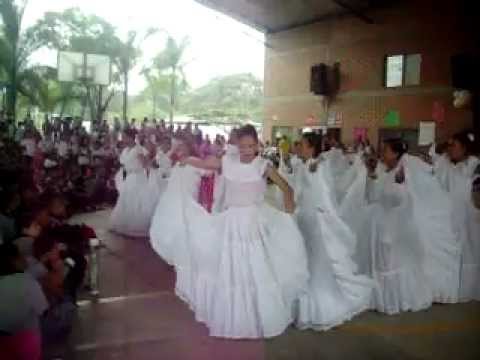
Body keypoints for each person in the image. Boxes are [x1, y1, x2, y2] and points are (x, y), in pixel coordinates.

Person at [178, 125, 309, 339]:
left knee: (255, 267)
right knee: (233, 268)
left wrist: (289, 216)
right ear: (236, 146)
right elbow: (205, 164)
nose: (247, 150)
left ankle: (258, 316)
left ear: (257, 145)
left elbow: (287, 188)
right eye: (242, 146)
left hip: (253, 222)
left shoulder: (262, 165)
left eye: (251, 146)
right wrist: (187, 160)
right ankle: (236, 317)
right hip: (232, 223)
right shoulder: (227, 163)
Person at [294, 132, 374, 330]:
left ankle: (323, 306)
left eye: (302, 145)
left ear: (312, 147)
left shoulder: (318, 166)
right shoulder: (305, 165)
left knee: (317, 264)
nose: (299, 148)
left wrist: (326, 218)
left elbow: (325, 195)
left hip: (316, 221)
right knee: (308, 262)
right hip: (305, 218)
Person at [432, 131, 480, 301]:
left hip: (469, 216)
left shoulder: (474, 165)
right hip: (448, 217)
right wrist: (445, 144)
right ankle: (448, 290)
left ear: (465, 148)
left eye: (454, 145)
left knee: (469, 250)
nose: (450, 149)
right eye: (449, 145)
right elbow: (436, 153)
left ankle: (467, 291)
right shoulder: (444, 164)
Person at [0, 242, 48, 360]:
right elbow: (44, 311)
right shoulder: (27, 281)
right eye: (20, 256)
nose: (24, 259)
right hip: (26, 346)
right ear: (13, 260)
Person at [110, 129, 160, 237]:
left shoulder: (138, 149)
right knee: (125, 200)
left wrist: (153, 171)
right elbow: (124, 164)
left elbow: (145, 164)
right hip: (127, 177)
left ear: (130, 137)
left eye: (124, 137)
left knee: (135, 201)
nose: (122, 139)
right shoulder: (126, 149)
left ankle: (136, 226)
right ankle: (124, 224)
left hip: (137, 177)